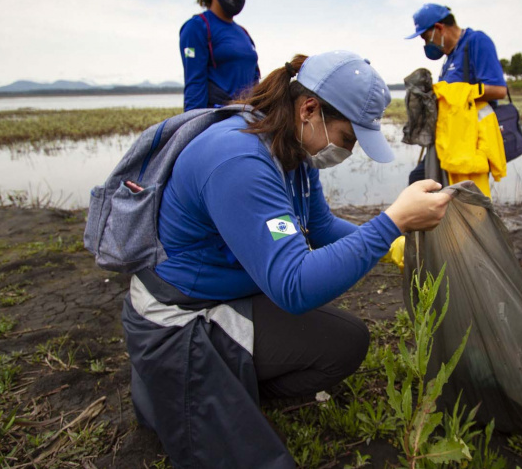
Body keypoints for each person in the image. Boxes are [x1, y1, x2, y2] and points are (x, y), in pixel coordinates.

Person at [122, 50, 453, 468]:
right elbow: (294, 287)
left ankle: (227, 386)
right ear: (309, 109)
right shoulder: (238, 160)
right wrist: (391, 223)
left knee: (346, 341)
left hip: (232, 294)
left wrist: (395, 247)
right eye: (348, 138)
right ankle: (175, 385)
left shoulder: (292, 148)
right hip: (180, 315)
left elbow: (319, 225)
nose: (347, 152)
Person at [405, 4, 508, 194]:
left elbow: (499, 90)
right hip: (447, 138)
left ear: (439, 28)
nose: (426, 44)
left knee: (463, 199)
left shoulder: (476, 42)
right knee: (420, 180)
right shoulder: (450, 57)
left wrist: (455, 91)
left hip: (468, 140)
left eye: (425, 37)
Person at [180, 0, 260, 111]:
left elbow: (255, 80)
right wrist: (192, 127)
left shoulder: (243, 33)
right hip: (219, 118)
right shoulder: (197, 27)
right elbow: (195, 84)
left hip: (248, 117)